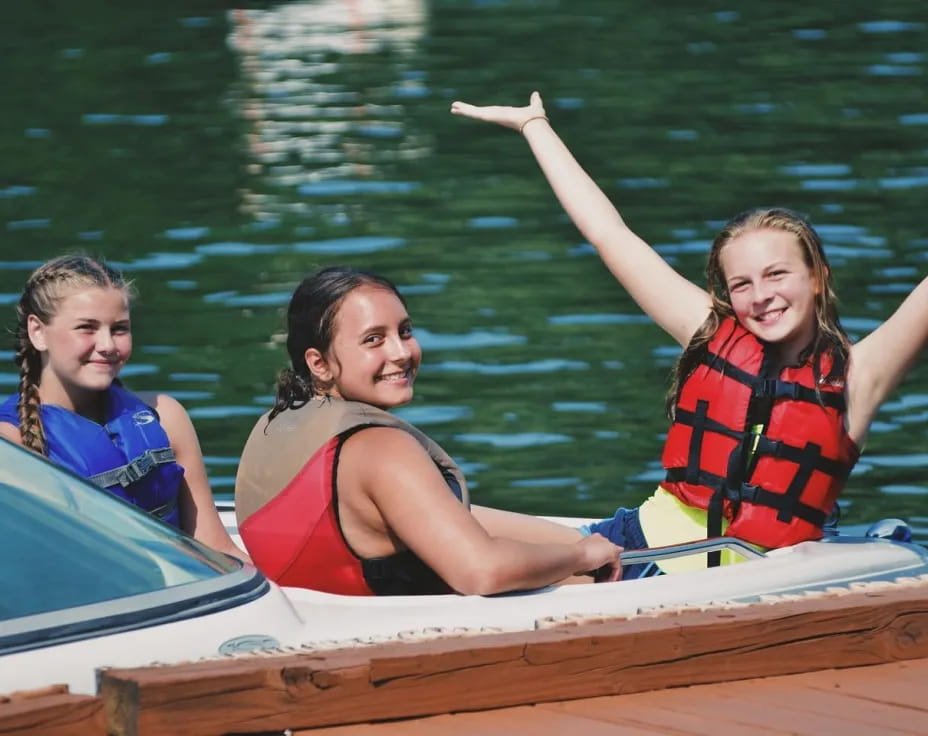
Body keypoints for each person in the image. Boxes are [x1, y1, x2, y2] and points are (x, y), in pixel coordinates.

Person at [450, 92, 928, 571]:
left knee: (472, 564)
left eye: (777, 275)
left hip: (715, 582)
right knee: (441, 518)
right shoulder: (709, 333)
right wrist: (535, 126)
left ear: (817, 276)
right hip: (627, 547)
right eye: (742, 284)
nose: (761, 295)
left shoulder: (860, 377)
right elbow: (609, 234)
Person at [235, 266, 623, 595]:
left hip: (319, 620)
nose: (401, 353)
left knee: (604, 542)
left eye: (404, 331)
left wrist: (571, 539)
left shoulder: (279, 423)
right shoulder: (379, 448)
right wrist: (580, 556)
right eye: (374, 340)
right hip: (395, 649)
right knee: (616, 569)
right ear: (319, 363)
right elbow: (480, 571)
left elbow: (413, 510)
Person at [0, 254, 250, 563]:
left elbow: (217, 549)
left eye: (119, 328)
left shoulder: (165, 416)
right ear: (38, 332)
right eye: (86, 328)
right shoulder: (12, 446)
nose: (107, 345)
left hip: (183, 598)